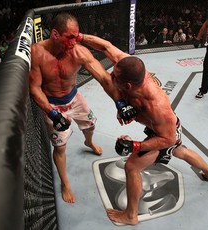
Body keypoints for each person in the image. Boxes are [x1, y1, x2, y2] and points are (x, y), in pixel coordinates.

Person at [81, 34, 208, 225]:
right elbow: (106, 46)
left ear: (128, 85)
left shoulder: (156, 106)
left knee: (132, 167)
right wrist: (80, 37)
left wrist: (135, 146)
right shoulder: (129, 66)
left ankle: (131, 215)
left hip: (164, 134)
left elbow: (167, 140)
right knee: (181, 151)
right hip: (168, 127)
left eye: (116, 76)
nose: (112, 76)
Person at [29, 13, 136, 204]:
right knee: (60, 148)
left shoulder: (80, 52)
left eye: (76, 36)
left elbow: (104, 78)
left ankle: (89, 142)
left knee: (91, 125)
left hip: (74, 98)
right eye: (70, 37)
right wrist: (52, 113)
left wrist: (120, 103)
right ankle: (65, 183)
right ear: (55, 34)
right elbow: (35, 88)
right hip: (52, 104)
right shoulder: (37, 53)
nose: (74, 41)